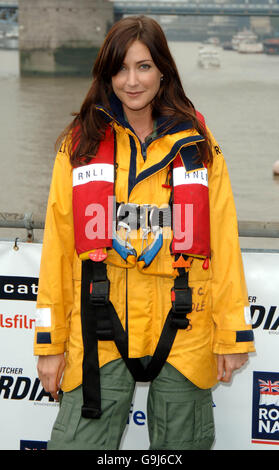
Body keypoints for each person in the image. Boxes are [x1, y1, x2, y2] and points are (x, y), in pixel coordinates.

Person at [35, 15, 255, 450]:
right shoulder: (77, 146)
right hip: (98, 326)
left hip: (184, 326)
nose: (131, 81)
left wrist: (232, 334)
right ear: (106, 74)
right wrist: (49, 343)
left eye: (144, 67)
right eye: (120, 69)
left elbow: (224, 242)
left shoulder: (199, 146)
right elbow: (57, 248)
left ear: (164, 71)